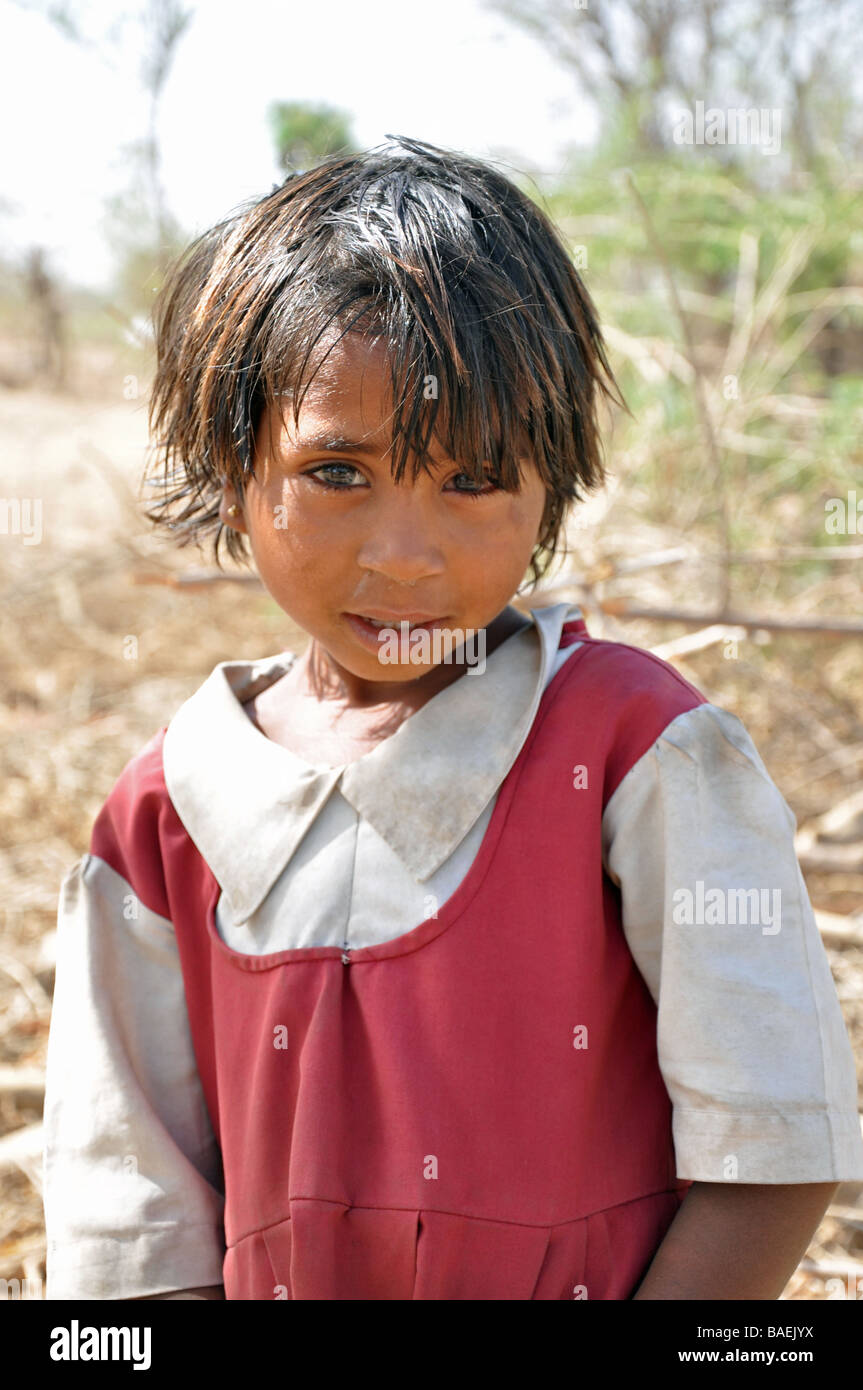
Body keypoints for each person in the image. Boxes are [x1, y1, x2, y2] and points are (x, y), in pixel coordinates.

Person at [42, 136, 863, 1301]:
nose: (406, 554)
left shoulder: (636, 752)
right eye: (336, 472)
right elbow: (126, 1225)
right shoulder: (163, 819)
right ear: (235, 471)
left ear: (550, 492)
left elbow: (772, 1150)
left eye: (472, 479)